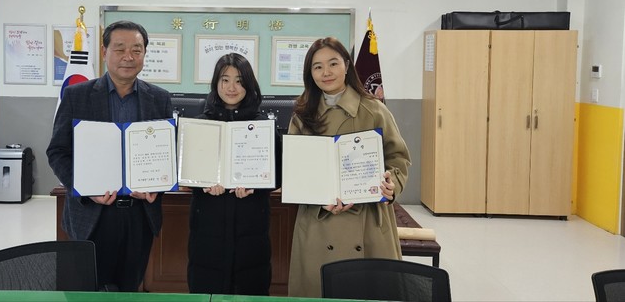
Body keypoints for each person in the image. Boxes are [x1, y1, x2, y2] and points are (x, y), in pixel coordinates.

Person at [47, 20, 173, 292]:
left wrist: (157, 187)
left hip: (140, 215)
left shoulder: (159, 99)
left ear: (144, 54)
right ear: (104, 52)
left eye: (136, 50)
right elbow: (57, 152)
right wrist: (85, 188)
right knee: (89, 290)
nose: (128, 57)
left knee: (129, 289)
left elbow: (167, 155)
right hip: (92, 214)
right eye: (120, 49)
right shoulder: (77, 95)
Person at [286, 37, 411, 298]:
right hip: (318, 221)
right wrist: (319, 200)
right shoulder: (302, 115)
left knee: (367, 293)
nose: (326, 72)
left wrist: (392, 183)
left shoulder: (374, 109)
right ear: (310, 73)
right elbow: (296, 171)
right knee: (320, 292)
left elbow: (398, 157)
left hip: (369, 223)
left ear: (346, 65)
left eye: (333, 63)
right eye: (318, 67)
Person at [187, 53, 282, 295]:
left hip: (251, 226)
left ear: (249, 84)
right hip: (209, 225)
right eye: (225, 80)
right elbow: (187, 171)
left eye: (239, 81)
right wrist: (202, 184)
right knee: (207, 290)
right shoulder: (200, 125)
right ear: (216, 83)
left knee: (250, 289)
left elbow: (278, 174)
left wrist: (256, 186)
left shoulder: (263, 126)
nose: (231, 87)